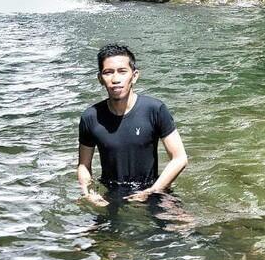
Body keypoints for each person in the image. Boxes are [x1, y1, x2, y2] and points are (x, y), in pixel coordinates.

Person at [77, 44, 187, 207]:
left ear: (134, 76)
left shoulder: (154, 110)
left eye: (122, 71)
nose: (115, 79)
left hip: (152, 190)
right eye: (108, 72)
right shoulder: (91, 117)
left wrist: (152, 191)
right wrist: (88, 194)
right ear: (100, 78)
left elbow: (179, 158)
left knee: (185, 228)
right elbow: (83, 165)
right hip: (111, 193)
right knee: (89, 232)